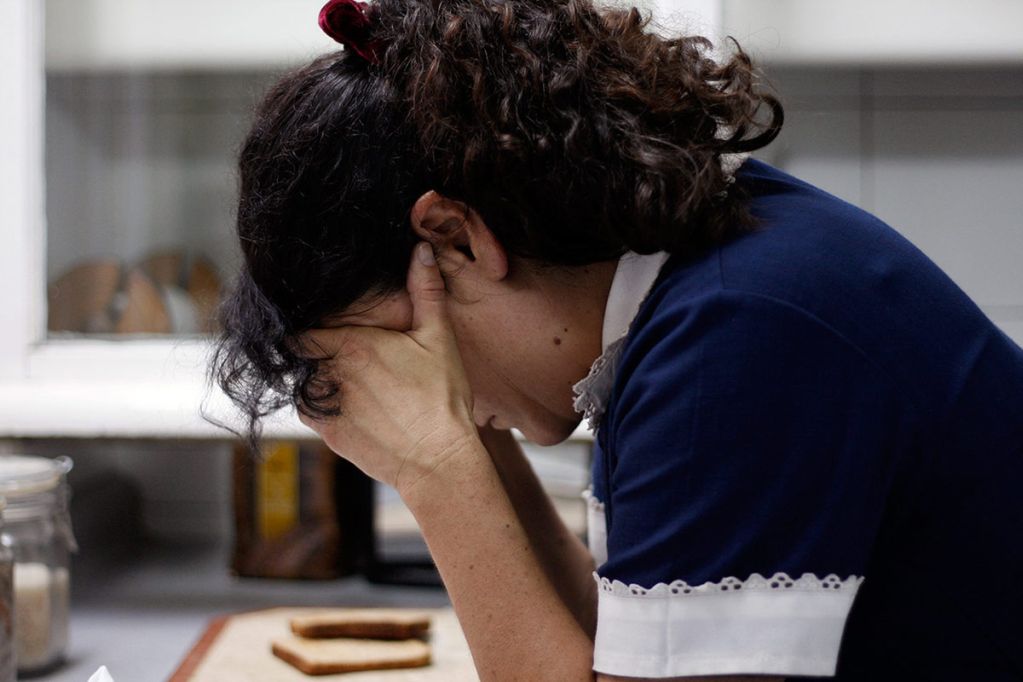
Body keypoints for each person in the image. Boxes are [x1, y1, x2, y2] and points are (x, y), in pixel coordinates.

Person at [210, 0, 1023, 679]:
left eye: (397, 351)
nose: (408, 388)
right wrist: (468, 448)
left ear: (455, 239)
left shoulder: (732, 337)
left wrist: (435, 469)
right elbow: (626, 652)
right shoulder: (662, 305)